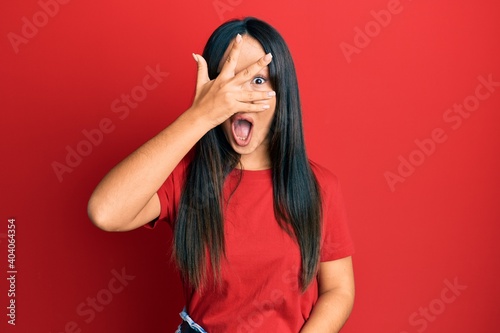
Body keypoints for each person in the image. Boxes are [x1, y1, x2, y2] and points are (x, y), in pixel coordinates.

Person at [88, 17, 355, 333]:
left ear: (282, 93)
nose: (240, 94)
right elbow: (105, 213)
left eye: (258, 80)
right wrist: (200, 115)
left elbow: (339, 290)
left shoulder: (318, 186)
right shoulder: (187, 178)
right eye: (228, 80)